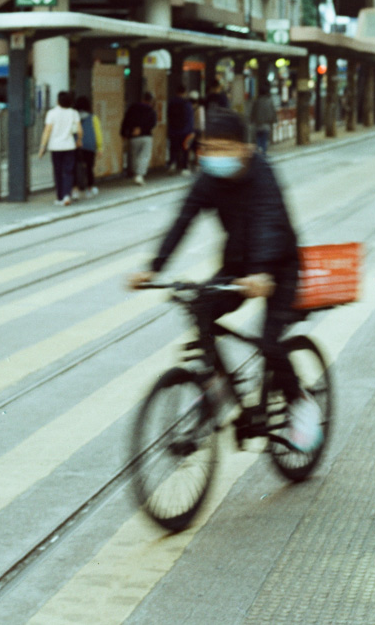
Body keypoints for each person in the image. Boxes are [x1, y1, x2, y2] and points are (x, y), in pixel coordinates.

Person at [128, 108, 320, 451]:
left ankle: (300, 403)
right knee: (201, 308)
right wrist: (154, 268)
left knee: (270, 343)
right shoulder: (208, 179)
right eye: (208, 148)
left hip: (279, 266)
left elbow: (268, 222)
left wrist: (261, 271)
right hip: (238, 267)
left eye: (223, 148)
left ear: (245, 148)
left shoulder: (262, 174)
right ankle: (215, 387)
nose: (214, 156)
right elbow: (183, 220)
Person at [37, 91, 81, 205]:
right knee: (68, 171)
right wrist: (79, 141)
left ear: (58, 101)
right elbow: (79, 130)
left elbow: (47, 130)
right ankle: (67, 195)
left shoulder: (51, 113)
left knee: (58, 172)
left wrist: (42, 146)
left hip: (55, 147)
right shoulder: (73, 113)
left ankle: (59, 197)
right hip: (69, 146)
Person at [120, 91, 157, 185]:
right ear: (151, 100)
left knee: (134, 156)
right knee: (144, 156)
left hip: (133, 137)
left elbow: (126, 120)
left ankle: (134, 174)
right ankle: (139, 175)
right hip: (146, 136)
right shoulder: (151, 110)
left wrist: (123, 133)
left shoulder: (132, 108)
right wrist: (142, 129)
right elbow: (153, 123)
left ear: (142, 98)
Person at [73, 96, 101, 198]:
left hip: (76, 145)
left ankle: (75, 190)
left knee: (75, 168)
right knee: (89, 168)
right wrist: (99, 147)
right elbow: (98, 133)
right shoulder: (93, 118)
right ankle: (89, 189)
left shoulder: (74, 117)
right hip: (90, 145)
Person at [167, 85, 195, 174]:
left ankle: (172, 164)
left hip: (173, 130)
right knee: (185, 149)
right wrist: (191, 131)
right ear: (185, 92)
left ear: (176, 92)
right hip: (185, 131)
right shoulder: (187, 103)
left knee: (173, 148)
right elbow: (190, 118)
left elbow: (169, 116)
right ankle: (184, 168)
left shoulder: (171, 102)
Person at [249, 79, 277, 154]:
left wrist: (251, 120)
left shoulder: (256, 101)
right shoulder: (269, 101)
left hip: (258, 124)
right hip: (266, 125)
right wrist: (274, 120)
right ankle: (263, 154)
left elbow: (253, 112)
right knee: (264, 140)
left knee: (258, 139)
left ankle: (259, 153)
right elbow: (273, 112)